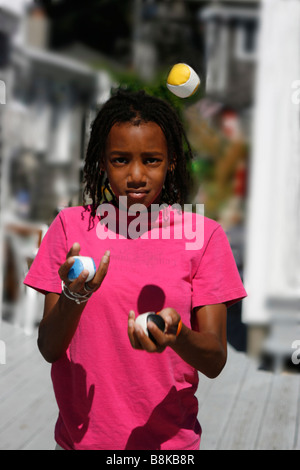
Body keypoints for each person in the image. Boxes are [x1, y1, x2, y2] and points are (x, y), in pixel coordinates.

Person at [24, 90, 247, 450]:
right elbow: (50, 347)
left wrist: (178, 336)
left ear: (172, 161)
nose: (137, 175)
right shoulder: (70, 227)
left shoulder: (204, 237)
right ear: (102, 162)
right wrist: (74, 295)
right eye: (121, 160)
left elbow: (215, 359)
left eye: (152, 160)